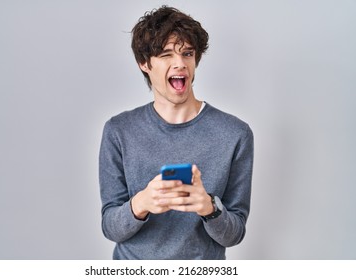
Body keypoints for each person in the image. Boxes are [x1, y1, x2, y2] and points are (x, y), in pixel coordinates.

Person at [99, 5, 254, 260]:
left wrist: (209, 208)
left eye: (187, 53)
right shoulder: (119, 131)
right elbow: (110, 227)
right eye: (166, 54)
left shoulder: (236, 134)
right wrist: (142, 204)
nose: (180, 64)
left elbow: (234, 233)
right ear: (144, 63)